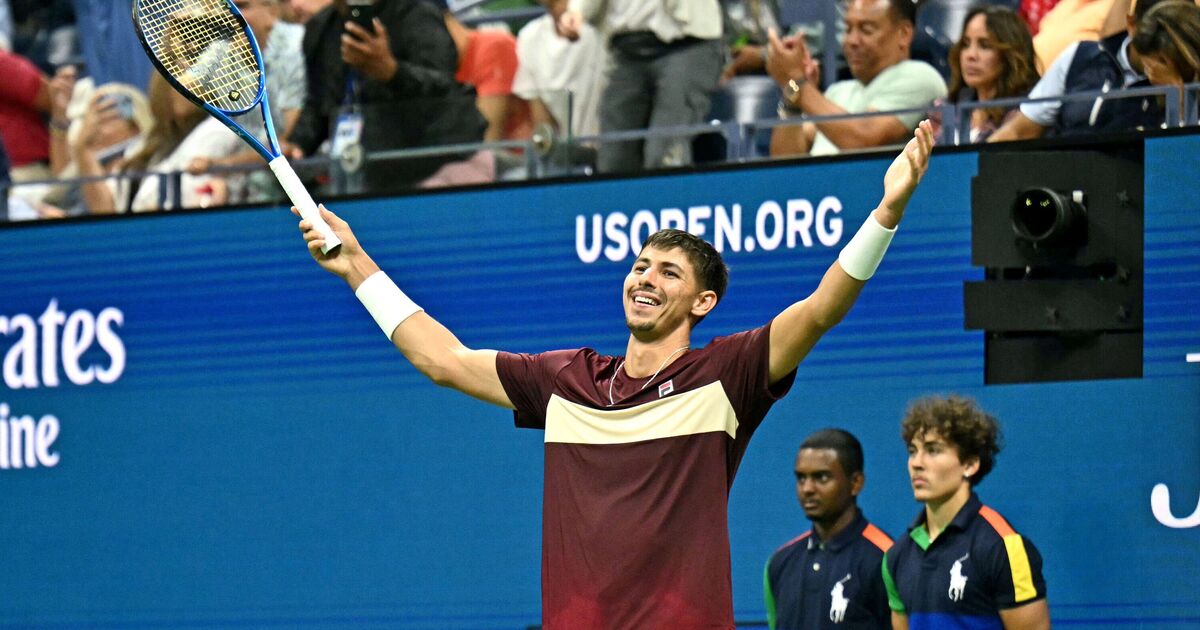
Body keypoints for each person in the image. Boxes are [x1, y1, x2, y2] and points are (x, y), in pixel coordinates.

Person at [293, 120, 935, 629]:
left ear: (702, 303)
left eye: (667, 272)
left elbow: (822, 309)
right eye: (640, 265)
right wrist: (356, 265)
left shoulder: (727, 374)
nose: (644, 278)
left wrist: (886, 213)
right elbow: (444, 361)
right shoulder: (566, 380)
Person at [883, 395, 1050, 630]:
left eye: (933, 450)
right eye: (912, 451)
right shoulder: (896, 557)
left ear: (970, 465)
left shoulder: (1004, 547)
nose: (916, 463)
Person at [288, 0, 487, 192]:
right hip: (365, 170)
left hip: (438, 160)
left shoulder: (417, 14)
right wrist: (298, 144)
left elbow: (444, 90)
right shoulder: (320, 28)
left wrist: (392, 72)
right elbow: (319, 103)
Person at [557, 0, 725, 173]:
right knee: (613, 163)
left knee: (664, 157)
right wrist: (576, 10)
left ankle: (671, 199)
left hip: (687, 42)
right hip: (627, 49)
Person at [768, 0, 946, 157]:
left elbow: (862, 139)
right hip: (820, 193)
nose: (852, 40)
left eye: (866, 29)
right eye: (848, 29)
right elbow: (786, 159)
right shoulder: (837, 91)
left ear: (904, 33)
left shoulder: (920, 76)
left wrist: (799, 83)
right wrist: (792, 100)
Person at [989, 0, 1174, 141]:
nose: (1162, 45)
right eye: (1153, 34)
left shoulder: (1187, 76)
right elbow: (1018, 130)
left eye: (1172, 37)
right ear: (1132, 26)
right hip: (1067, 176)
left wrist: (1174, 87)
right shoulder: (1081, 56)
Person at [764, 429, 892, 630]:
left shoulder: (888, 558)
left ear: (856, 483)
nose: (807, 489)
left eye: (821, 477)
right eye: (801, 478)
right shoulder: (780, 563)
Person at [75, 72, 242, 213]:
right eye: (180, 73)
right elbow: (107, 210)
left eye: (193, 70)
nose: (188, 82)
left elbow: (188, 202)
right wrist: (83, 148)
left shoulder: (216, 131)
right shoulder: (148, 143)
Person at [938, 6, 1040, 143]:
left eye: (985, 45)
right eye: (966, 44)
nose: (970, 55)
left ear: (1010, 55)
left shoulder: (1026, 113)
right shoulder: (951, 106)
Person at [434, 2, 532, 144]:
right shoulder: (428, 70)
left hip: (519, 158)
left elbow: (487, 142)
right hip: (467, 160)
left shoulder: (494, 46)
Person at [513, 0, 607, 140]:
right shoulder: (529, 37)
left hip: (616, 142)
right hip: (572, 155)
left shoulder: (604, 23)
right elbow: (544, 127)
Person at [1132, 1, 1200, 121]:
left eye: (1161, 62)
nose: (1153, 74)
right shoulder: (1140, 92)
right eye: (1148, 66)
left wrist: (1177, 94)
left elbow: (1188, 139)